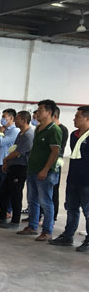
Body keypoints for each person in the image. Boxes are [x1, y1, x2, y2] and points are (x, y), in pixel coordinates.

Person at [17, 99, 62, 241]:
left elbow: (55, 152)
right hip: (33, 170)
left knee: (46, 202)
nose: (37, 113)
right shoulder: (38, 128)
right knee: (32, 200)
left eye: (40, 110)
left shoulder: (54, 130)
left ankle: (47, 231)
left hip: (45, 172)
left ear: (49, 113)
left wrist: (45, 169)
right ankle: (32, 226)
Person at [49, 106, 89, 251]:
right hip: (73, 178)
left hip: (86, 181)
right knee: (72, 209)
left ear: (87, 118)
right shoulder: (74, 135)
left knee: (87, 211)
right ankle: (68, 236)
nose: (74, 119)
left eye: (77, 116)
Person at [0, 111, 34, 229]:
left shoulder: (28, 135)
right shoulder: (21, 133)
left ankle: (15, 221)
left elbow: (18, 152)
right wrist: (7, 162)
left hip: (21, 167)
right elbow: (14, 148)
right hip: (13, 166)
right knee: (4, 192)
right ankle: (2, 217)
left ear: (23, 120)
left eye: (17, 119)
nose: (15, 121)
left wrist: (6, 159)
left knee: (16, 194)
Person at [52, 107, 69, 221]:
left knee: (54, 188)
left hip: (58, 160)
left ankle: (53, 216)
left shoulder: (62, 129)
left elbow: (59, 149)